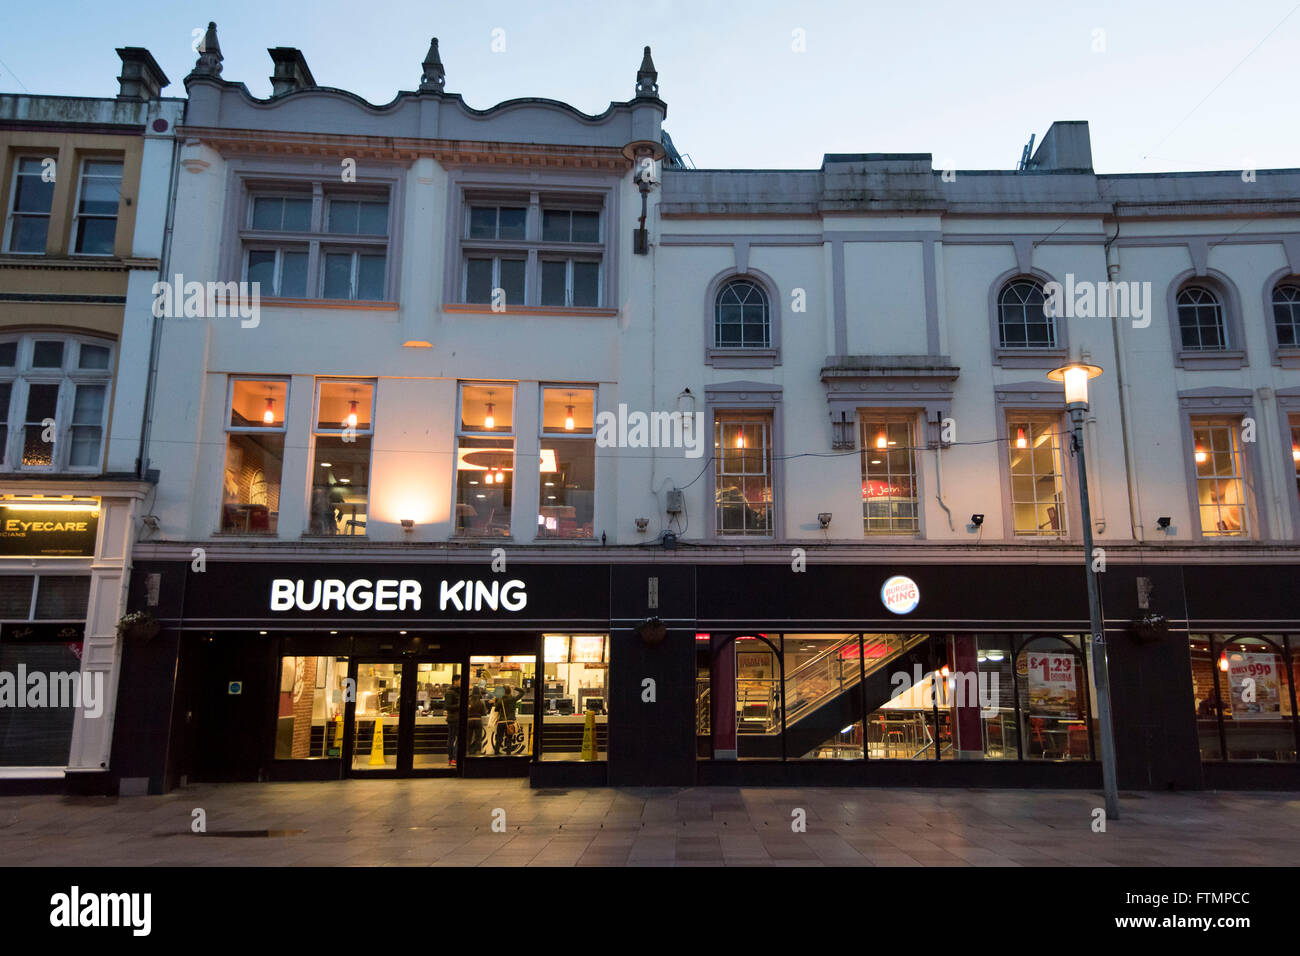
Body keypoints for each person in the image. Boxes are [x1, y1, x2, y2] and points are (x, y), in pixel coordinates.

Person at [492, 686, 519, 754]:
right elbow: (523, 692)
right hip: (510, 721)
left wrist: (495, 701)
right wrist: (515, 688)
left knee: (499, 739)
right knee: (509, 739)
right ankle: (508, 755)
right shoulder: (513, 699)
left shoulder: (500, 700)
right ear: (510, 691)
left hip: (501, 721)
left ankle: (496, 754)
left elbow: (496, 709)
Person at [443, 681, 461, 766]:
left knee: (451, 739)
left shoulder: (454, 692)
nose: (461, 682)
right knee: (455, 739)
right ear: (456, 681)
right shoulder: (451, 693)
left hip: (453, 718)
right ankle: (454, 758)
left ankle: (451, 759)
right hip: (454, 719)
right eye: (460, 680)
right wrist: (461, 705)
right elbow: (447, 706)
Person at [467, 687, 486, 755]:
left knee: (468, 738)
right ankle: (477, 751)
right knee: (478, 738)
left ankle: (467, 751)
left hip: (469, 721)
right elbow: (484, 713)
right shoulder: (481, 702)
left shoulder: (468, 701)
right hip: (478, 720)